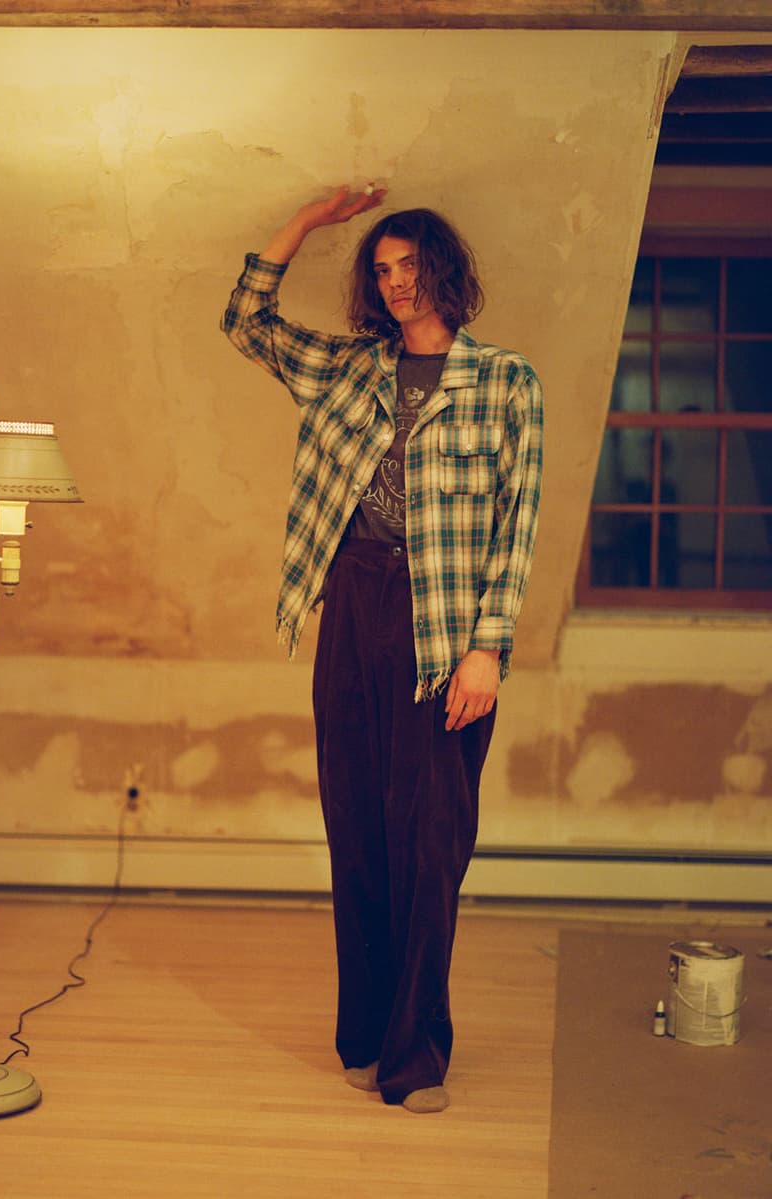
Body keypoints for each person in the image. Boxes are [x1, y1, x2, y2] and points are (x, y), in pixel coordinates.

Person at [222, 186, 543, 1114]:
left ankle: (415, 1056)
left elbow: (517, 525)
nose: (397, 283)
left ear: (444, 270)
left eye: (409, 266)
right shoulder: (348, 368)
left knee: (430, 840)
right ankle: (364, 1034)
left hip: (443, 626)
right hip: (354, 603)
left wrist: (488, 650)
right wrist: (308, 221)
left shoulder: (506, 383)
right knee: (357, 829)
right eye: (383, 270)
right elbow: (246, 319)